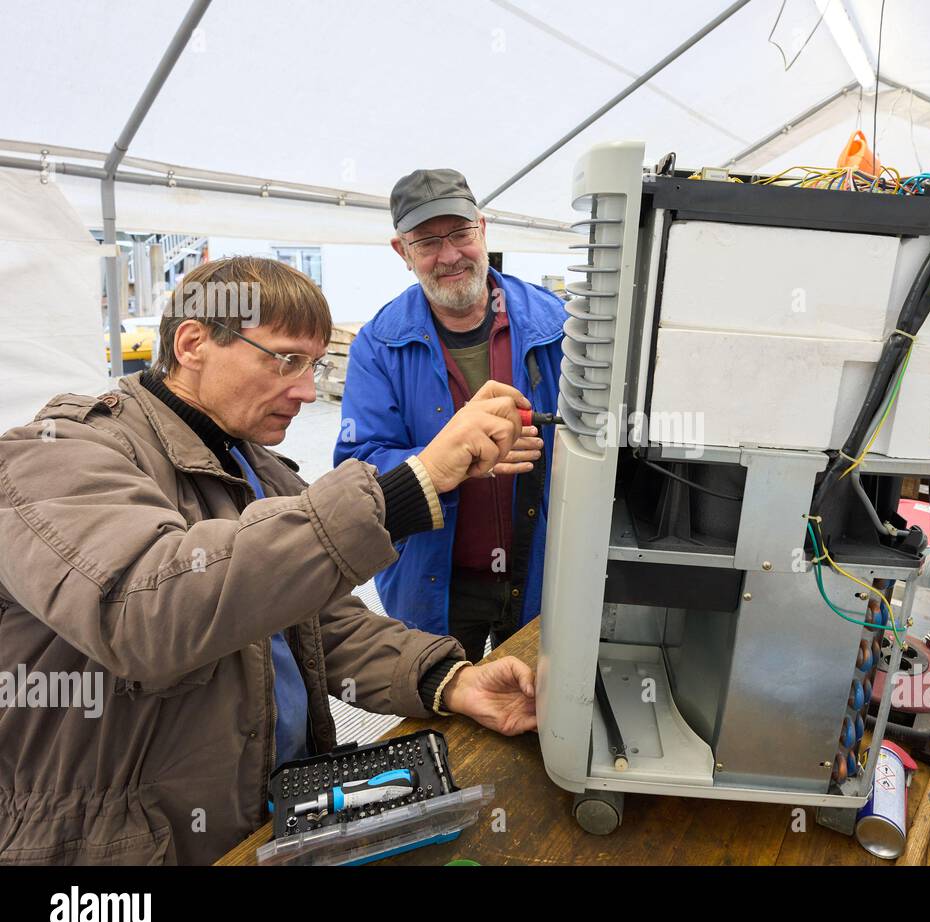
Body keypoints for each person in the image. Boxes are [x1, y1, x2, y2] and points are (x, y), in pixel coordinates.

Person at [0, 256, 538, 865]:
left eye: (314, 365)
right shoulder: (56, 456)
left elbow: (315, 623)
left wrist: (446, 679)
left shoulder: (257, 468)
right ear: (193, 342)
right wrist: (406, 490)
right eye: (285, 360)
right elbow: (144, 613)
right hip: (121, 847)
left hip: (264, 821)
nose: (308, 390)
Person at [335, 169, 564, 662]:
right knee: (438, 706)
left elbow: (601, 437)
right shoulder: (378, 345)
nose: (449, 255)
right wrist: (448, 458)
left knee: (539, 710)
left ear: (482, 230)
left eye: (460, 234)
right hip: (434, 579)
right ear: (402, 252)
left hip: (545, 571)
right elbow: (359, 469)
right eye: (427, 242)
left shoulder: (557, 325)